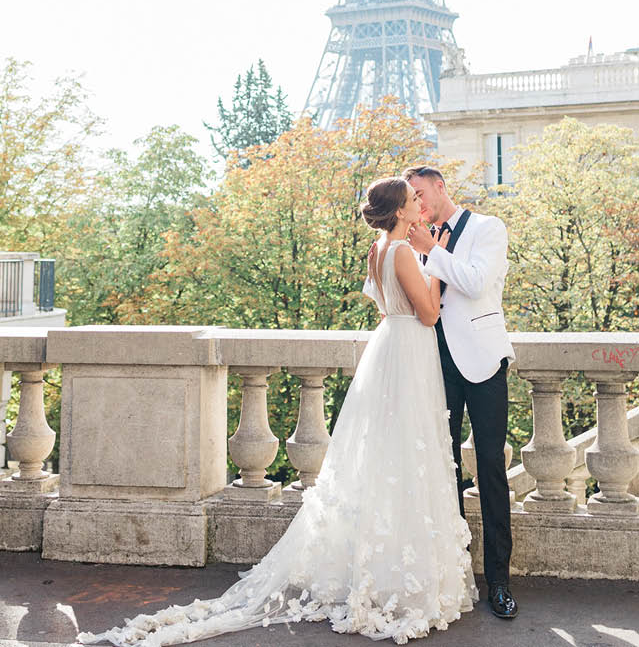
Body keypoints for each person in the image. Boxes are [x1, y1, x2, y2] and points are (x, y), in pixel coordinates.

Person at [77, 177, 478, 647]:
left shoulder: (377, 250)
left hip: (389, 346)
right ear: (399, 211)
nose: (419, 205)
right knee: (406, 457)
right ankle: (397, 578)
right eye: (412, 200)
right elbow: (429, 313)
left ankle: (374, 572)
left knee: (381, 458)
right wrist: (436, 263)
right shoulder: (405, 253)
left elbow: (386, 304)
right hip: (410, 348)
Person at [401, 166, 518, 620]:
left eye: (421, 191)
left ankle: (500, 583)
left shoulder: (488, 228)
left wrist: (430, 250)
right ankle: (455, 574)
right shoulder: (413, 242)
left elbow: (474, 282)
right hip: (436, 364)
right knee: (443, 470)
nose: (418, 200)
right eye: (410, 195)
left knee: (490, 469)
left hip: (485, 361)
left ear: (440, 187)